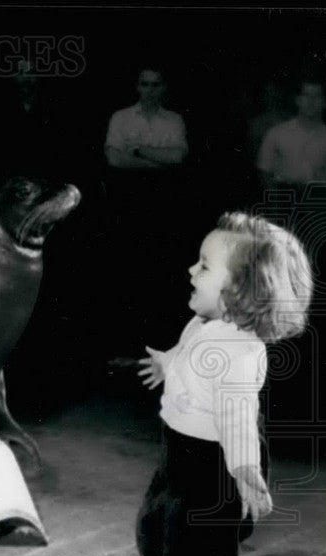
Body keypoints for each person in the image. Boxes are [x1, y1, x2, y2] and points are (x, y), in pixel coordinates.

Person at [134, 212, 313, 556]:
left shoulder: (238, 354)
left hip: (213, 471)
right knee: (152, 538)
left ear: (242, 292)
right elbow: (190, 354)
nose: (192, 271)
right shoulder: (207, 322)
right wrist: (168, 363)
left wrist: (246, 475)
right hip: (178, 458)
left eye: (206, 267)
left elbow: (237, 423)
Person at [101, 66, 192, 356]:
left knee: (163, 274)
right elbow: (115, 159)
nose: (150, 89)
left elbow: (177, 157)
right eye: (144, 84)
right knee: (128, 273)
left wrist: (137, 151)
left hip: (165, 205)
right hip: (128, 203)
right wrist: (157, 162)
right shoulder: (121, 117)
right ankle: (127, 347)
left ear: (164, 88)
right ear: (137, 87)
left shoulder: (174, 120)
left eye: (156, 84)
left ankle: (162, 346)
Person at [257, 78, 326, 189]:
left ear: (325, 103)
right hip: (284, 200)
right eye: (306, 95)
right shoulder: (276, 134)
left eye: (317, 96)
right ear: (298, 100)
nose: (311, 101)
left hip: (317, 200)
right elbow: (264, 172)